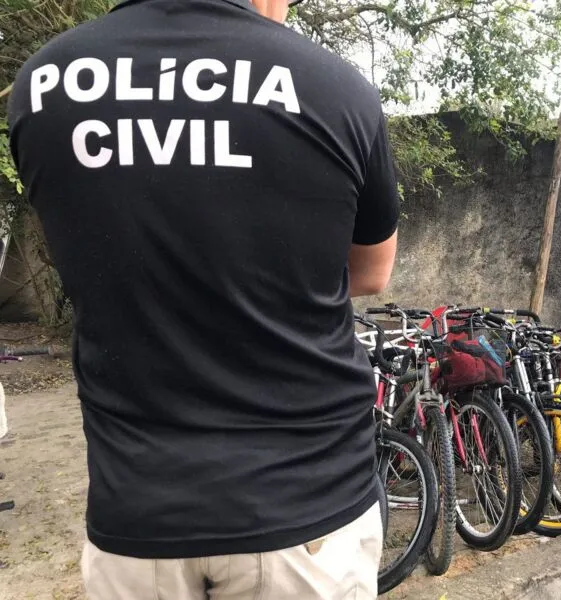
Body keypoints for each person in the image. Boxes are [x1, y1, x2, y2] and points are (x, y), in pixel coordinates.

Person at [8, 0, 398, 597]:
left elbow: (84, 239)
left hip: (136, 508)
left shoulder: (40, 84)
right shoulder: (334, 85)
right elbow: (371, 272)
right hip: (305, 506)